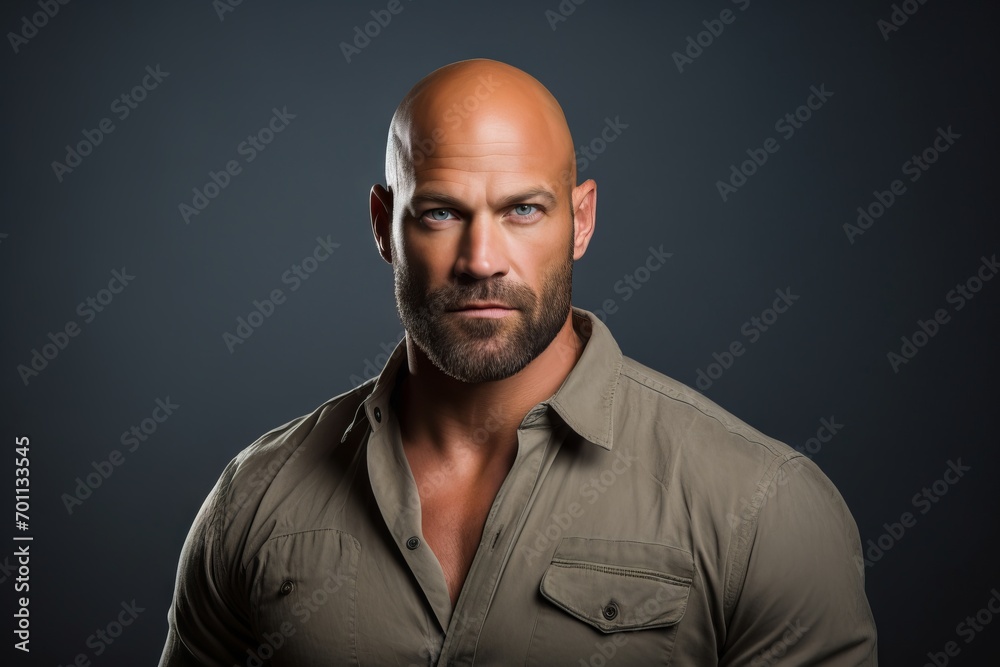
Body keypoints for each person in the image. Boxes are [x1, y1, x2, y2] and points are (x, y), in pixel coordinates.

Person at [159, 58, 878, 666]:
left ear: (582, 219)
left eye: (523, 210)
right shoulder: (254, 501)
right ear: (384, 224)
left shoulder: (764, 509)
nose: (480, 260)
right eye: (441, 211)